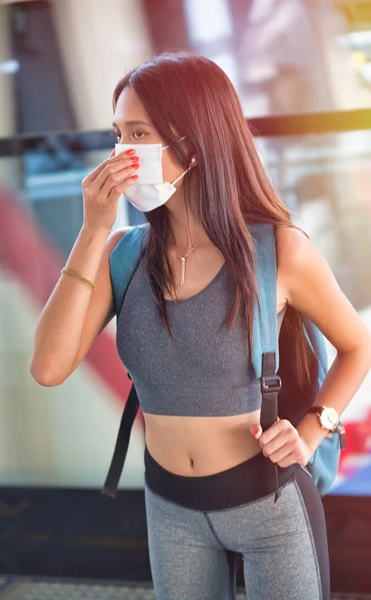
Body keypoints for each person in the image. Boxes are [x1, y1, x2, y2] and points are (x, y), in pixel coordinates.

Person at [30, 51, 371, 600]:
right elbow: (48, 367)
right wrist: (91, 231)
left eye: (137, 134)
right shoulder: (124, 254)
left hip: (270, 503)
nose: (121, 153)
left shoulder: (279, 250)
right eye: (117, 135)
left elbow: (358, 345)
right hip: (171, 510)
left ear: (190, 142)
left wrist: (313, 430)